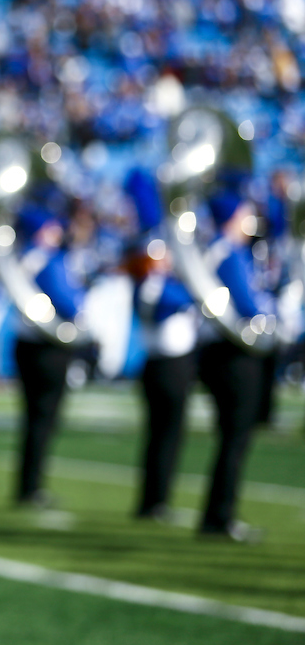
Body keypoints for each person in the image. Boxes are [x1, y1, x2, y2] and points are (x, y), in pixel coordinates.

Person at [195, 191, 271, 541]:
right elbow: (247, 304)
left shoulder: (220, 251)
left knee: (232, 436)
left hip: (220, 350)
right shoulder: (229, 253)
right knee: (235, 437)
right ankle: (220, 516)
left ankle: (218, 514)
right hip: (233, 351)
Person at [11, 205, 85, 508]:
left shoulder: (22, 257)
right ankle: (31, 487)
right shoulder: (49, 260)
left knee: (32, 418)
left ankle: (27, 485)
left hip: (27, 343)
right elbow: (68, 303)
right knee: (44, 418)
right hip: (48, 345)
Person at [128, 237, 198, 521]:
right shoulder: (152, 285)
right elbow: (173, 302)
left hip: (163, 365)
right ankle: (155, 502)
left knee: (164, 436)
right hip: (167, 365)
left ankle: (155, 500)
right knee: (166, 435)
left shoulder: (154, 284)